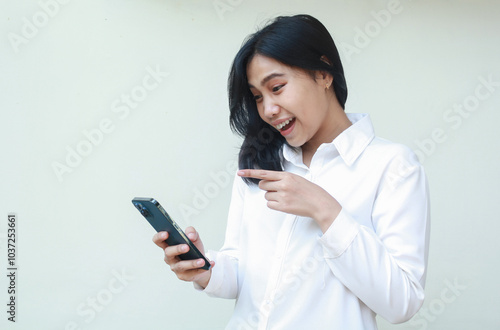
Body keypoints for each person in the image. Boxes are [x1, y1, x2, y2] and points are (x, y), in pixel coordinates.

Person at [153, 14, 430, 329]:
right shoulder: (260, 162)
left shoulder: (392, 165)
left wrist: (325, 210)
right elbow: (245, 272)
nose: (267, 109)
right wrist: (204, 268)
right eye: (258, 97)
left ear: (323, 73)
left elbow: (402, 302)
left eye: (277, 87)